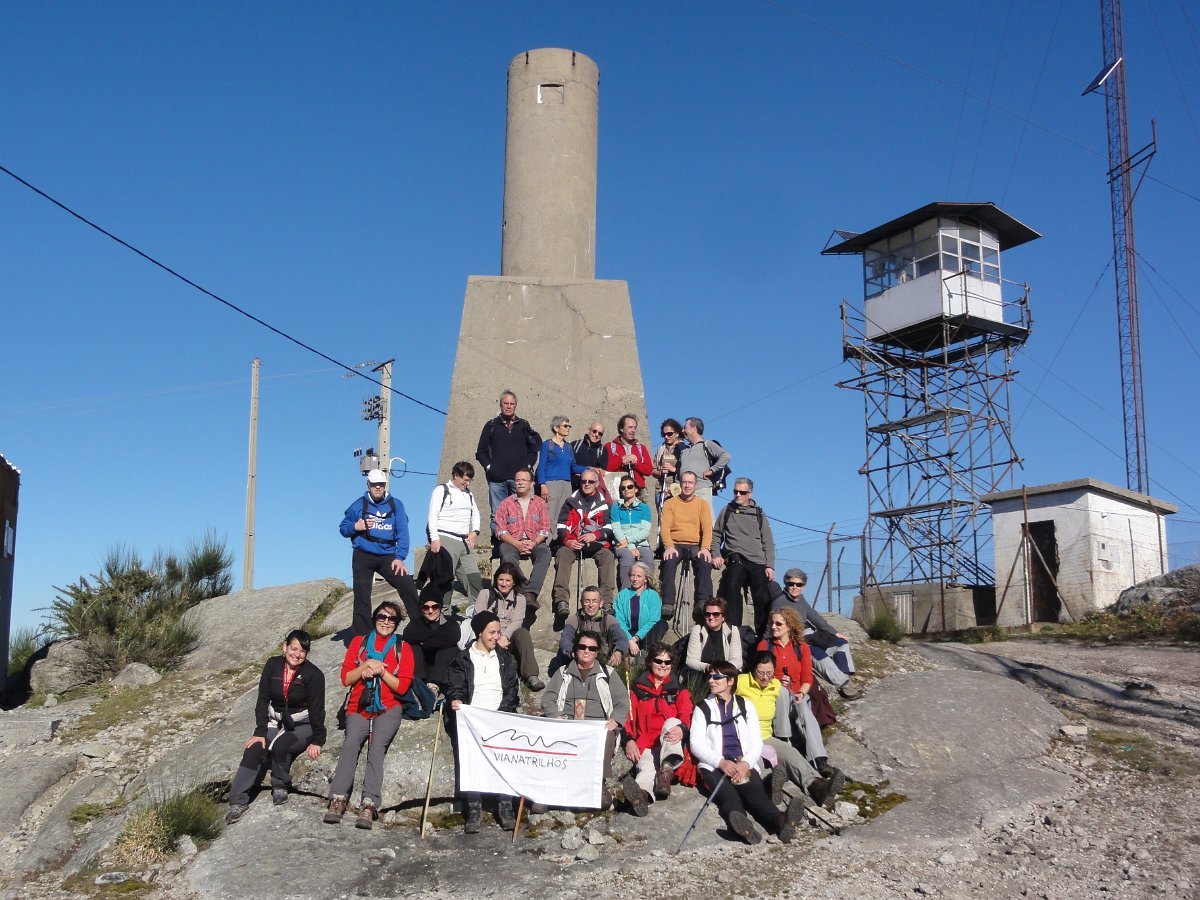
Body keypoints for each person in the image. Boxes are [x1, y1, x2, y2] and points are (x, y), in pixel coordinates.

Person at [689, 661, 804, 845]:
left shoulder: (745, 705)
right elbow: (696, 743)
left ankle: (780, 822)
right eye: (709, 676)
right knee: (728, 797)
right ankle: (744, 828)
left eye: (717, 677)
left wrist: (746, 764)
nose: (711, 680)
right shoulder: (702, 708)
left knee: (757, 795)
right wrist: (721, 763)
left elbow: (755, 740)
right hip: (713, 766)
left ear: (730, 681)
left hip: (742, 762)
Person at [324, 601, 414, 829]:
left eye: (391, 619)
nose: (386, 622)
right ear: (375, 618)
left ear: (397, 624)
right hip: (358, 707)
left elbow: (401, 687)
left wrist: (381, 671)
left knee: (377, 747)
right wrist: (366, 665)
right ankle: (338, 798)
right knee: (351, 742)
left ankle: (369, 803)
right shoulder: (359, 643)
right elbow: (346, 678)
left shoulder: (403, 648)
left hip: (388, 707)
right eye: (382, 617)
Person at [226, 630, 325, 823]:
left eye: (303, 650)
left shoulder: (314, 675)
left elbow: (317, 709)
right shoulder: (272, 666)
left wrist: (318, 739)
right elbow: (262, 699)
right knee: (255, 748)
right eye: (293, 648)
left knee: (282, 745)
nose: (297, 654)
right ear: (285, 647)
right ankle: (238, 801)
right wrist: (260, 732)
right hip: (275, 720)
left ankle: (280, 785)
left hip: (302, 723)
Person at [736, 652, 843, 808]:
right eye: (760, 673)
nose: (765, 677)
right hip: (744, 740)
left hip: (766, 737)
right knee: (753, 764)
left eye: (769, 673)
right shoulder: (740, 682)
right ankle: (770, 787)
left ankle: (818, 787)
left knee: (791, 753)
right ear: (753, 670)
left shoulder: (776, 686)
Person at [445, 611, 520, 834]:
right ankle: (474, 807)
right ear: (479, 632)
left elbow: (512, 689)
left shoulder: (505, 658)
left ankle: (505, 806)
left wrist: (502, 712)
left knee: (503, 759)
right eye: (492, 632)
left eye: (498, 632)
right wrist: (456, 699)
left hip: (499, 717)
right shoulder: (463, 657)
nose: (496, 636)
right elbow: (455, 685)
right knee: (472, 761)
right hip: (473, 718)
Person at [542, 631, 630, 810]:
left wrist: (616, 720)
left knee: (608, 735)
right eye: (582, 647)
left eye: (592, 648)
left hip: (597, 727)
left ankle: (599, 783)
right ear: (575, 650)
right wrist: (555, 715)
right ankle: (548, 790)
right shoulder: (562, 672)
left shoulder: (608, 674)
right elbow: (548, 698)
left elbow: (622, 701)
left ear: (598, 652)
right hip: (568, 724)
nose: (586, 651)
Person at [758, 608, 837, 779]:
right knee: (783, 693)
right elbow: (759, 676)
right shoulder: (765, 646)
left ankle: (819, 759)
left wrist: (801, 692)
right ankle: (785, 743)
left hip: (798, 694)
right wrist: (776, 682)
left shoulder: (801, 648)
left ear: (790, 626)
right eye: (772, 623)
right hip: (775, 695)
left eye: (779, 623)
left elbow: (807, 678)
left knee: (804, 710)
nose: (774, 627)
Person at [339, 469, 419, 634]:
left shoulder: (396, 504)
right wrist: (356, 526)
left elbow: (403, 532)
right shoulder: (358, 505)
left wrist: (400, 557)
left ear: (385, 485)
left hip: (388, 556)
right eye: (374, 484)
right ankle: (363, 636)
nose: (377, 487)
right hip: (363, 555)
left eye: (381, 484)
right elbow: (343, 528)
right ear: (368, 484)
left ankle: (420, 627)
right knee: (362, 595)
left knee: (407, 585)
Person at [621, 642, 693, 816]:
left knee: (672, 723)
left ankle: (666, 770)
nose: (663, 665)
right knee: (646, 768)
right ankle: (642, 795)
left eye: (667, 662)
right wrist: (629, 740)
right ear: (650, 662)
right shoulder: (637, 690)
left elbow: (687, 714)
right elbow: (627, 718)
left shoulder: (679, 691)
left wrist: (682, 728)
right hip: (646, 744)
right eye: (658, 661)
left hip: (671, 743)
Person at [772, 569, 861, 699]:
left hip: (808, 636)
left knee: (840, 644)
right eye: (791, 584)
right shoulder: (780, 602)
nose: (795, 587)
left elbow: (814, 617)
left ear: (803, 587)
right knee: (816, 653)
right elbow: (775, 627)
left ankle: (844, 677)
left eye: (799, 584)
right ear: (786, 584)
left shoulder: (800, 600)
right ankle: (843, 686)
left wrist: (835, 633)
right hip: (792, 640)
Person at [551, 467, 617, 627]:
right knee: (562, 554)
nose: (586, 484)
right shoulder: (570, 501)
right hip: (574, 543)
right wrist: (567, 541)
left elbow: (610, 528)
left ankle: (607, 601)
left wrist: (596, 535)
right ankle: (561, 601)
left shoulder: (604, 504)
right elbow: (561, 525)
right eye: (583, 481)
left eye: (590, 481)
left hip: (596, 544)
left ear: (596, 483)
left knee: (607, 556)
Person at [712, 477, 776, 630]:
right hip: (736, 559)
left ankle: (762, 637)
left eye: (742, 492)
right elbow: (716, 535)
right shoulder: (727, 510)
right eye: (735, 491)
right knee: (731, 589)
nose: (738, 495)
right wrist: (716, 554)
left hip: (757, 562)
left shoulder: (759, 514)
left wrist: (770, 566)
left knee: (762, 597)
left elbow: (768, 541)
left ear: (750, 494)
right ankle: (734, 632)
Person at [472, 561, 545, 691]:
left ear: (514, 582)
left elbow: (517, 621)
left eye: (508, 580)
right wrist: (495, 637)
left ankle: (531, 675)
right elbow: (479, 619)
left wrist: (504, 636)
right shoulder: (485, 594)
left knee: (522, 632)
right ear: (496, 580)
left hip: (508, 640)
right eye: (501, 579)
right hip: (487, 639)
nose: (504, 583)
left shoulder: (520, 599)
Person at [493, 467, 552, 623]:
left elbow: (545, 529)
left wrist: (534, 543)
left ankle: (531, 593)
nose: (519, 483)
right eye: (517, 480)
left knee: (545, 554)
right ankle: (522, 587)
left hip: (534, 541)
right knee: (506, 553)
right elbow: (500, 531)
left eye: (523, 480)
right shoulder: (505, 503)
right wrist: (517, 544)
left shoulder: (540, 503)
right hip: (513, 541)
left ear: (531, 483)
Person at [476, 390, 542, 527]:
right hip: (496, 480)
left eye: (512, 404)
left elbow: (534, 447)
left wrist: (527, 467)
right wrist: (489, 468)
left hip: (518, 480)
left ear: (516, 406)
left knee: (520, 513)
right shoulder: (491, 425)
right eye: (506, 403)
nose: (508, 406)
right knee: (497, 514)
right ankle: (499, 546)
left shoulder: (523, 425)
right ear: (500, 405)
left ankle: (517, 545)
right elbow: (481, 451)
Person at [427, 461, 483, 613]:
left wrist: (475, 531)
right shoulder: (441, 490)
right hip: (445, 538)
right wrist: (435, 538)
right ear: (455, 476)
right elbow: (432, 515)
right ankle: (443, 613)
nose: (468, 483)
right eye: (465, 479)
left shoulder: (469, 494)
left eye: (470, 480)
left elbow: (476, 513)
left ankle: (477, 611)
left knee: (474, 577)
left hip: (464, 541)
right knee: (445, 578)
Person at [659, 471, 713, 621]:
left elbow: (707, 528)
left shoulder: (702, 505)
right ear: (680, 484)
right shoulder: (670, 503)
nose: (687, 485)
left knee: (705, 562)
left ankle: (702, 602)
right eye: (684, 482)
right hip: (676, 543)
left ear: (695, 485)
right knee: (668, 562)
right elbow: (665, 527)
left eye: (690, 482)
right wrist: (668, 546)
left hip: (696, 544)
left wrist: (705, 548)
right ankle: (668, 602)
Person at [402, 595, 465, 694]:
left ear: (440, 607)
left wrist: (424, 642)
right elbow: (407, 635)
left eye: (434, 607)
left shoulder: (450, 622)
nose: (430, 611)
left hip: (442, 667)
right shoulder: (416, 622)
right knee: (413, 647)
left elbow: (453, 637)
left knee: (449, 648)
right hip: (423, 665)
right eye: (426, 607)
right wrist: (436, 639)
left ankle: (434, 686)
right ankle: (419, 684)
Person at [557, 586, 629, 670]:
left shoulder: (609, 620)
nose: (591, 605)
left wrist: (618, 651)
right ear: (581, 602)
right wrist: (572, 652)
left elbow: (622, 638)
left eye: (594, 601)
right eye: (587, 601)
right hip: (580, 659)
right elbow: (565, 638)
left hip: (602, 661)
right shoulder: (575, 619)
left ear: (601, 603)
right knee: (561, 654)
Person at [536, 416, 585, 525]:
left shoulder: (568, 447)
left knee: (563, 515)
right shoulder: (547, 445)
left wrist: (588, 469)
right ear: (556, 428)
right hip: (552, 484)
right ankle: (547, 541)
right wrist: (543, 485)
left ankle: (559, 540)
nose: (568, 428)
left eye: (569, 426)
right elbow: (541, 466)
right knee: (550, 515)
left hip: (567, 485)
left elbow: (574, 467)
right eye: (565, 426)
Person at [612, 562, 666, 659]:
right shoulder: (622, 595)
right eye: (633, 575)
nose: (635, 579)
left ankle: (645, 652)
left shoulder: (652, 595)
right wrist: (630, 640)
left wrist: (637, 637)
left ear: (645, 578)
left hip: (646, 633)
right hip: (628, 632)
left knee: (662, 623)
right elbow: (620, 621)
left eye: (639, 576)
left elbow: (653, 620)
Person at [679, 417, 731, 509]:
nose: (683, 430)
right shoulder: (685, 450)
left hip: (701, 490)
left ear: (693, 429)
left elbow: (725, 456)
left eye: (685, 427)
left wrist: (712, 470)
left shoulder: (706, 444)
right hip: (684, 492)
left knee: (705, 520)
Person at [611, 477, 653, 589]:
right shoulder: (616, 508)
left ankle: (648, 591)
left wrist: (629, 542)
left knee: (648, 556)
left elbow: (644, 531)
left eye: (630, 487)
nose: (626, 489)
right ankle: (625, 594)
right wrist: (630, 547)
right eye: (623, 488)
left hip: (640, 544)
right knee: (627, 557)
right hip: (622, 545)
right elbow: (617, 530)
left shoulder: (644, 508)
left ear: (635, 489)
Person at [685, 597, 744, 674]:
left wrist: (720, 670)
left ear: (723, 617)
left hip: (725, 674)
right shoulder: (698, 630)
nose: (711, 617)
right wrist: (708, 667)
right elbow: (691, 660)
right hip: (702, 674)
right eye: (707, 614)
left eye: (716, 614)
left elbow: (737, 660)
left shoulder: (732, 631)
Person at [602, 413, 653, 500]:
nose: (633, 430)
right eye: (630, 427)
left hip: (638, 491)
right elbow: (606, 468)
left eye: (634, 427)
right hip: (617, 491)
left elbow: (649, 470)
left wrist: (635, 463)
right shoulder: (609, 446)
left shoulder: (641, 448)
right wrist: (621, 460)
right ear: (621, 428)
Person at [651, 417, 685, 513]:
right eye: (664, 434)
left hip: (677, 490)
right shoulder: (661, 449)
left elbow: (688, 471)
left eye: (669, 434)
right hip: (661, 490)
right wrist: (660, 471)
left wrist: (673, 469)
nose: (666, 437)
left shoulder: (683, 449)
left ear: (677, 433)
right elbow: (653, 470)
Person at [571, 421, 609, 491]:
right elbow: (569, 466)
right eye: (594, 431)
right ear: (589, 430)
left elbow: (600, 472)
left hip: (590, 489)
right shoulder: (575, 445)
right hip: (572, 487)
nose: (597, 434)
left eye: (600, 433)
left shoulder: (602, 451)